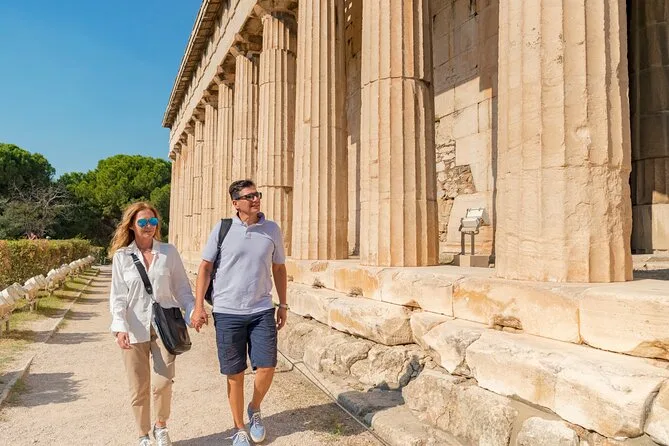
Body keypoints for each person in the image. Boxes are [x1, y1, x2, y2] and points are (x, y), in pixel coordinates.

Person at [191, 179, 288, 446]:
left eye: (257, 195)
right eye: (249, 196)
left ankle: (254, 408)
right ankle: (238, 427)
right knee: (235, 373)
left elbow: (279, 268)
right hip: (227, 311)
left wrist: (283, 304)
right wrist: (199, 307)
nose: (255, 199)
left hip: (261, 309)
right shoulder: (222, 228)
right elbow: (205, 267)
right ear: (235, 203)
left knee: (267, 366)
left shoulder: (271, 229)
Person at [109, 201, 196, 446]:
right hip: (133, 327)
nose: (149, 226)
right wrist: (119, 327)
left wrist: (192, 311)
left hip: (165, 326)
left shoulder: (168, 252)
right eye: (143, 222)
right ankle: (143, 434)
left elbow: (182, 288)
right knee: (138, 386)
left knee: (163, 382)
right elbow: (118, 296)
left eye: (153, 221)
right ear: (132, 226)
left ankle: (161, 426)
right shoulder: (122, 257)